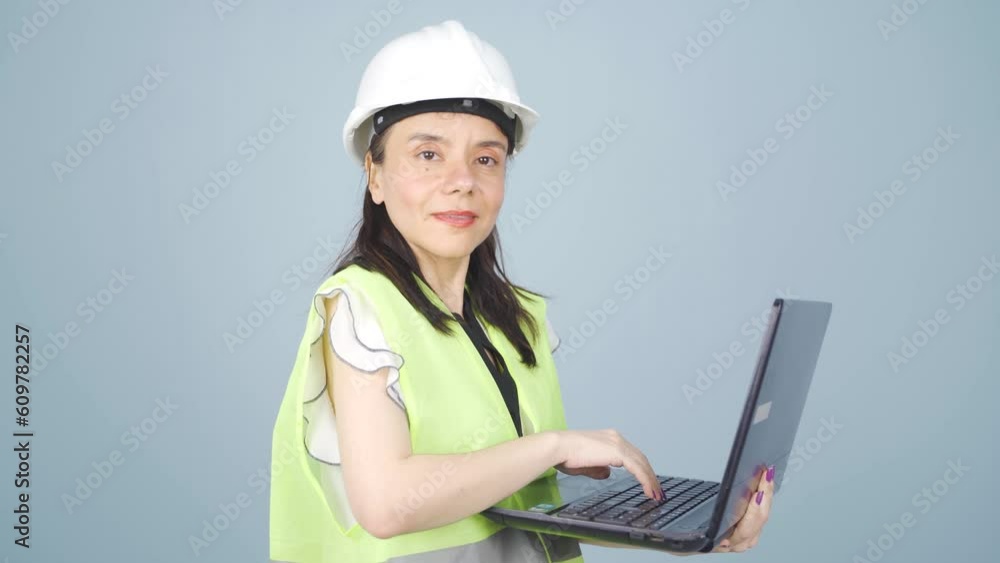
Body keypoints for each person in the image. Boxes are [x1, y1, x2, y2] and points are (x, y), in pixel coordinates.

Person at [269, 19, 774, 563]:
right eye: (428, 154)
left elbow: (513, 504)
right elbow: (388, 504)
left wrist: (683, 527)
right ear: (375, 175)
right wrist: (553, 446)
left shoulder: (516, 318)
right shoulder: (359, 307)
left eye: (486, 159)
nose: (462, 181)